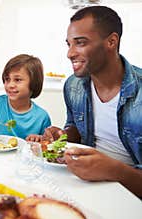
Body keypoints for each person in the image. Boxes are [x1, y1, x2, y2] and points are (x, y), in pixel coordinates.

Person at [43, 6, 142, 197]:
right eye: (69, 44)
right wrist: (63, 135)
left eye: (80, 43)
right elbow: (76, 128)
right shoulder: (73, 86)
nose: (70, 53)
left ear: (111, 41)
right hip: (87, 182)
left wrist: (114, 170)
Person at [0, 54, 51, 140]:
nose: (10, 85)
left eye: (17, 80)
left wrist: (40, 139)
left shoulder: (42, 117)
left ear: (34, 83)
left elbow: (47, 146)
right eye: (7, 79)